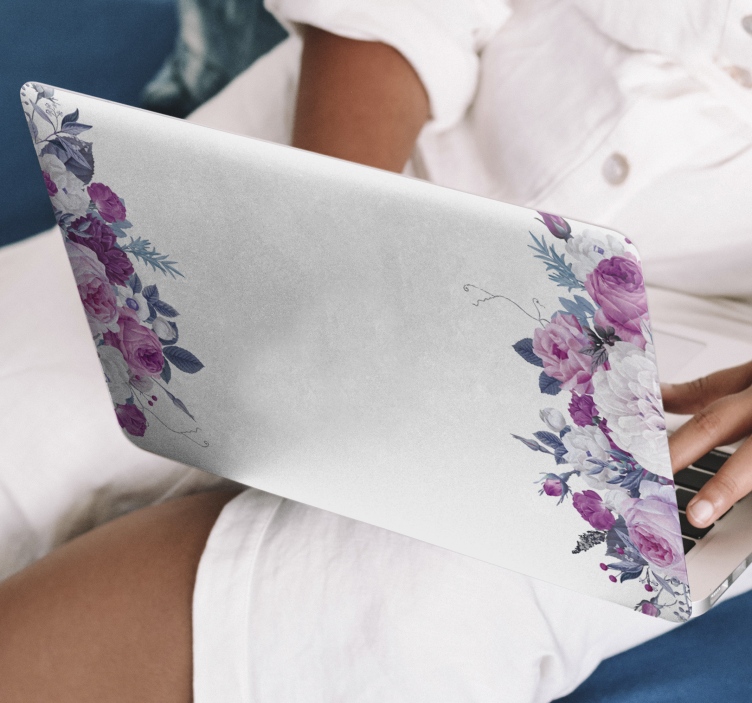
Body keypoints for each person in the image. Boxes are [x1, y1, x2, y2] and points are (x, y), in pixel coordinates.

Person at [2, 2, 752, 701]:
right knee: (39, 406)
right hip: (387, 138)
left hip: (701, 358)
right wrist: (333, 218)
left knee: (395, 606)